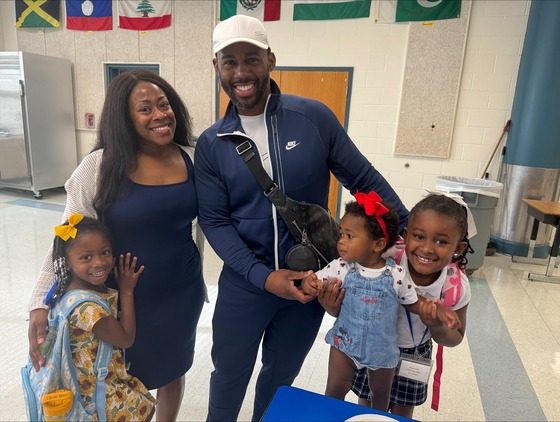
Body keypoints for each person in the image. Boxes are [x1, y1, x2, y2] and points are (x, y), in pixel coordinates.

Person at [194, 14, 409, 422]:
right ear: (217, 68)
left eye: (251, 59)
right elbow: (215, 221)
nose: (241, 72)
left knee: (281, 376)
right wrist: (262, 276)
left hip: (311, 283)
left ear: (270, 60)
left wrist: (411, 230)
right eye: (229, 61)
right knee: (229, 374)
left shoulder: (313, 118)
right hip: (246, 284)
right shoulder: (211, 144)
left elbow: (362, 178)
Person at [27, 70, 206, 421]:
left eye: (163, 104)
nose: (159, 114)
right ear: (124, 118)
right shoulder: (98, 166)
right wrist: (38, 302)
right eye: (145, 108)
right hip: (119, 299)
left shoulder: (193, 158)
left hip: (180, 294)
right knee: (116, 375)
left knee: (173, 368)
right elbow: (66, 238)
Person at [320, 192, 473, 419]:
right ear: (406, 235)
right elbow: (354, 290)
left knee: (401, 412)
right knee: (369, 404)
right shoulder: (386, 257)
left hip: (415, 353)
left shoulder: (455, 285)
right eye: (419, 237)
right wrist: (332, 307)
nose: (427, 248)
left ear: (458, 248)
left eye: (441, 241)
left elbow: (456, 337)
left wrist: (437, 326)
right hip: (371, 343)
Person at [48, 213, 156, 420]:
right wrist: (126, 291)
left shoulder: (67, 289)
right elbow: (125, 339)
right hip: (94, 390)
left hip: (84, 381)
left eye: (105, 252)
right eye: (86, 257)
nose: (99, 263)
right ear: (68, 263)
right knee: (144, 410)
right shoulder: (88, 309)